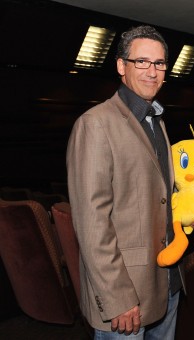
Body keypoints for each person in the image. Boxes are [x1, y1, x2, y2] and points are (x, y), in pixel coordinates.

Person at [67, 25, 183, 339]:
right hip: (126, 295)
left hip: (166, 282)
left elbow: (157, 193)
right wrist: (118, 298)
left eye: (159, 63)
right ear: (121, 66)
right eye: (141, 62)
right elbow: (93, 223)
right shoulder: (95, 125)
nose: (152, 71)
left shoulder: (155, 119)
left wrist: (190, 204)